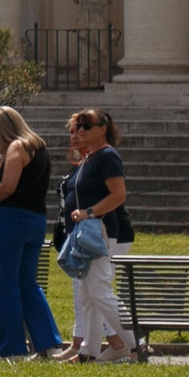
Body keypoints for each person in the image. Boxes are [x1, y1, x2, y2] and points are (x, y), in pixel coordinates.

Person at [0, 105, 63, 359]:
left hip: (12, 219)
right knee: (28, 282)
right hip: (36, 220)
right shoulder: (39, 148)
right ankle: (48, 343)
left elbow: (7, 187)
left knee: (6, 283)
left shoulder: (16, 147)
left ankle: (10, 347)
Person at [60, 107, 136, 363]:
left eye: (86, 126)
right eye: (78, 126)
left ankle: (136, 344)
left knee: (99, 289)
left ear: (103, 128)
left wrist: (90, 212)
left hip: (99, 230)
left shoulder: (107, 156)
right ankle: (88, 352)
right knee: (87, 293)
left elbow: (118, 194)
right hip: (83, 232)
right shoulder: (89, 157)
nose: (80, 130)